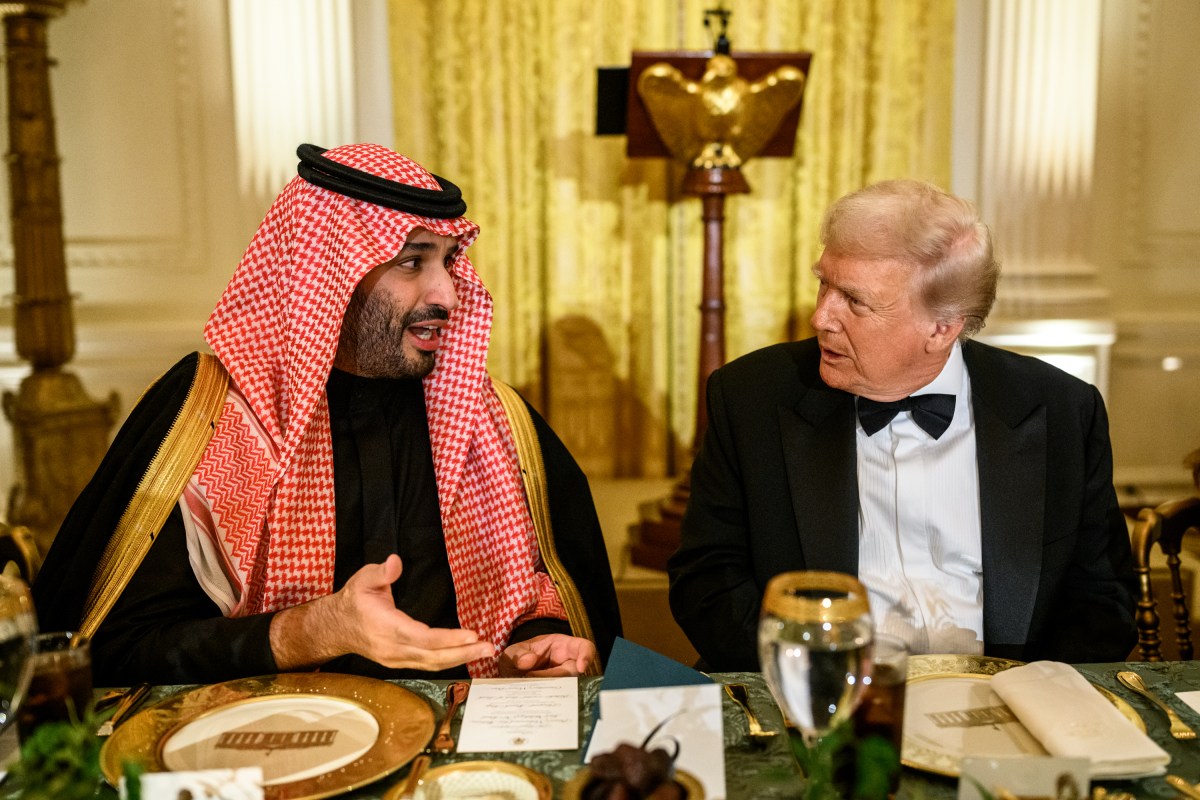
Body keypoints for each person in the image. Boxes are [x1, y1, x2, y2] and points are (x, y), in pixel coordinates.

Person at [33, 143, 621, 685]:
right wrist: (312, 630)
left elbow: (544, 593)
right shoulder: (211, 419)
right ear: (329, 271)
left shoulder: (490, 421)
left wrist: (541, 644)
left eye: (448, 260)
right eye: (413, 262)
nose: (447, 293)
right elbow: (115, 653)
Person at [668, 179, 1136, 670]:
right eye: (823, 283)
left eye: (854, 300)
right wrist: (823, 681)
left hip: (1006, 703)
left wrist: (1028, 693)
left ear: (941, 327)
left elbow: (1103, 599)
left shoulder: (1060, 410)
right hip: (822, 703)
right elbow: (707, 583)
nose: (820, 316)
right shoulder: (752, 398)